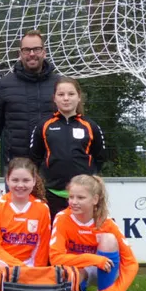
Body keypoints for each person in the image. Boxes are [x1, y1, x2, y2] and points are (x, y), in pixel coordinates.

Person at [49, 175, 137, 291]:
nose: (74, 202)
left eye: (81, 198)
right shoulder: (62, 218)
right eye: (71, 197)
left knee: (108, 239)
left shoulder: (106, 222)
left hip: (105, 269)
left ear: (95, 200)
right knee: (70, 273)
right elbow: (55, 258)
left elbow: (131, 263)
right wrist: (93, 259)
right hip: (81, 268)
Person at [0, 30, 59, 180]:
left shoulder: (59, 84)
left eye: (36, 49)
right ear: (20, 54)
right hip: (17, 166)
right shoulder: (4, 85)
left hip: (52, 166)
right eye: (27, 50)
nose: (32, 54)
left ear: (44, 52)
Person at [30, 77, 105, 221]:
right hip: (52, 194)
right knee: (52, 237)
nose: (66, 98)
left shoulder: (91, 126)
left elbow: (100, 157)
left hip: (83, 196)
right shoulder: (44, 125)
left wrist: (88, 177)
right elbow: (34, 158)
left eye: (71, 94)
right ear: (54, 98)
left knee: (82, 238)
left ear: (78, 97)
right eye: (61, 94)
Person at [0, 157, 51, 275]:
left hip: (28, 262)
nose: (20, 185)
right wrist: (18, 267)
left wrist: (37, 272)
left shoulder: (42, 209)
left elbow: (42, 248)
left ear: (34, 181)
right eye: (15, 180)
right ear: (7, 180)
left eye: (26, 180)